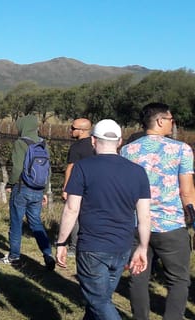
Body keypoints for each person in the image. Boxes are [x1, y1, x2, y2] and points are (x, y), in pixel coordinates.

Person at [55, 119, 151, 320]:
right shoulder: (138, 172)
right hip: (122, 247)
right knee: (98, 301)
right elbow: (144, 216)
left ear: (92, 141)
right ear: (120, 142)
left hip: (93, 246)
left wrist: (62, 242)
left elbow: (72, 209)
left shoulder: (82, 168)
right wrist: (142, 247)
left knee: (99, 302)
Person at [120, 102, 194, 320]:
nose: (173, 124)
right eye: (171, 120)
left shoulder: (127, 150)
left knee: (138, 275)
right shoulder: (181, 149)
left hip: (135, 222)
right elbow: (187, 191)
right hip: (170, 224)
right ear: (161, 121)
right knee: (178, 279)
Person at [0, 114, 55, 270]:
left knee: (16, 223)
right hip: (38, 189)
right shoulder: (44, 144)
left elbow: (17, 168)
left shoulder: (20, 143)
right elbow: (48, 171)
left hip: (22, 188)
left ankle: (14, 257)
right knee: (36, 222)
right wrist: (44, 190)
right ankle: (48, 254)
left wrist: (10, 183)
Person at [61, 118, 95, 254]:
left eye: (73, 128)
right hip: (95, 185)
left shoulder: (77, 147)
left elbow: (71, 167)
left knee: (74, 215)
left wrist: (66, 187)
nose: (70, 130)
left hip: (79, 186)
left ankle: (74, 246)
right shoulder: (96, 144)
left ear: (82, 131)